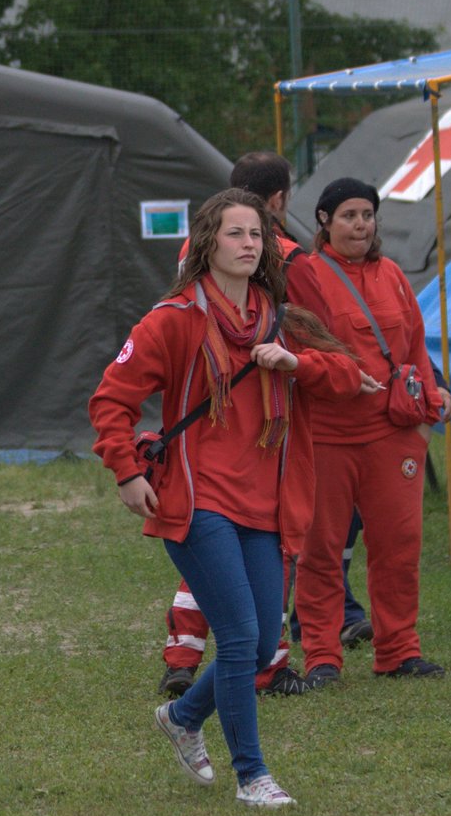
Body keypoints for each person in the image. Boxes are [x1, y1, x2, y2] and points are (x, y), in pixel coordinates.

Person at [90, 188, 370, 807]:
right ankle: (253, 775)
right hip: (197, 499)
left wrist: (294, 364)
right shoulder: (173, 318)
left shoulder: (277, 316)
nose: (250, 244)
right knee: (242, 637)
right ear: (207, 245)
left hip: (268, 502)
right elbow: (111, 400)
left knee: (258, 642)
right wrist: (127, 471)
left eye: (258, 235)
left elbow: (352, 376)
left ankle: (184, 716)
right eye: (237, 234)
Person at [157, 151, 373, 699]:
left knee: (217, 559)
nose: (249, 247)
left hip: (212, 431)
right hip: (266, 435)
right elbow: (319, 333)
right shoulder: (289, 259)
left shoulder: (195, 251)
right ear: (279, 199)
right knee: (265, 554)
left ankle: (186, 660)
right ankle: (268, 666)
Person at [286, 178, 451, 687]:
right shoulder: (307, 277)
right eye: (349, 215)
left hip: (392, 434)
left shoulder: (394, 275)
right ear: (323, 221)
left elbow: (416, 347)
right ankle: (321, 657)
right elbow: (299, 351)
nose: (361, 224)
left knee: (399, 545)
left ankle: (398, 651)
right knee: (321, 549)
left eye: (367, 215)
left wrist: (430, 400)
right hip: (327, 436)